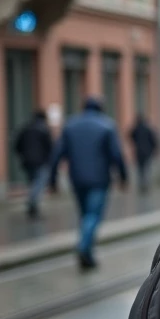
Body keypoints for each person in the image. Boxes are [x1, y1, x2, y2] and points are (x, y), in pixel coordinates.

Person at [48, 97, 127, 269]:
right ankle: (84, 248)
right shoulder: (107, 125)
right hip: (99, 179)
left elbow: (57, 154)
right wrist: (123, 177)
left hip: (76, 179)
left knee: (85, 216)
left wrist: (52, 179)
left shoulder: (70, 125)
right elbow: (117, 154)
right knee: (93, 215)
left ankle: (88, 254)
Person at [13, 110, 54, 218]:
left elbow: (17, 145)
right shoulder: (44, 130)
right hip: (40, 162)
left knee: (33, 183)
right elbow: (50, 147)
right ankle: (32, 204)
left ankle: (33, 205)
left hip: (27, 161)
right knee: (39, 183)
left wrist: (22, 155)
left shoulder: (25, 128)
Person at [128, 115, 158, 193]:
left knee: (140, 169)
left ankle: (141, 184)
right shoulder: (147, 129)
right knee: (146, 168)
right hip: (147, 151)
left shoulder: (136, 129)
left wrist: (135, 143)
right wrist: (154, 149)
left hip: (139, 152)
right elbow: (153, 140)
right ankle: (146, 184)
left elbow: (130, 136)